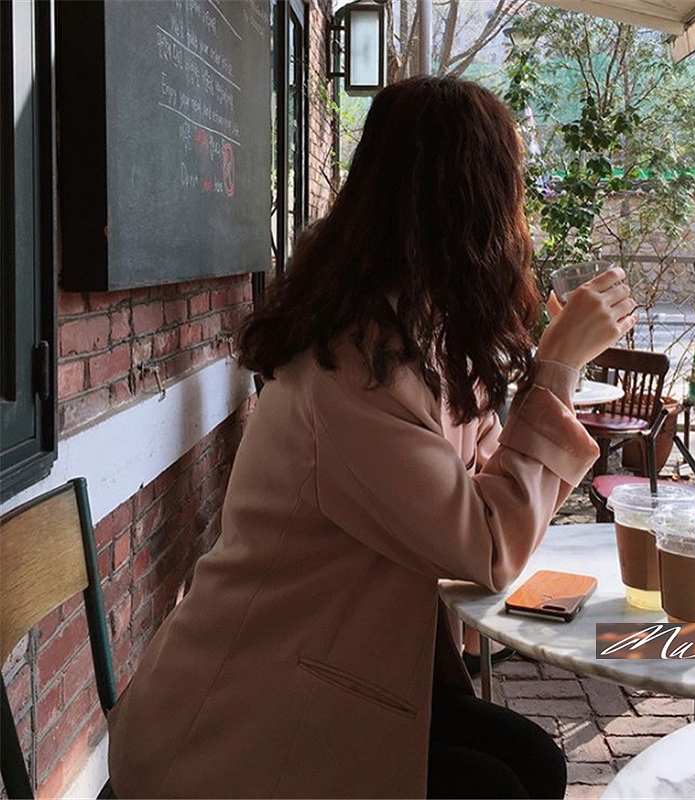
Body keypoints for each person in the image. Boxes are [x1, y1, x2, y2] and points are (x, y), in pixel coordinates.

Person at [106, 76, 636, 799]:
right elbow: (488, 546)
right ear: (475, 207)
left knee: (532, 761)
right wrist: (558, 367)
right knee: (504, 786)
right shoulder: (356, 371)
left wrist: (535, 371)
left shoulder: (414, 337)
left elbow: (479, 479)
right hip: (235, 722)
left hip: (332, 669)